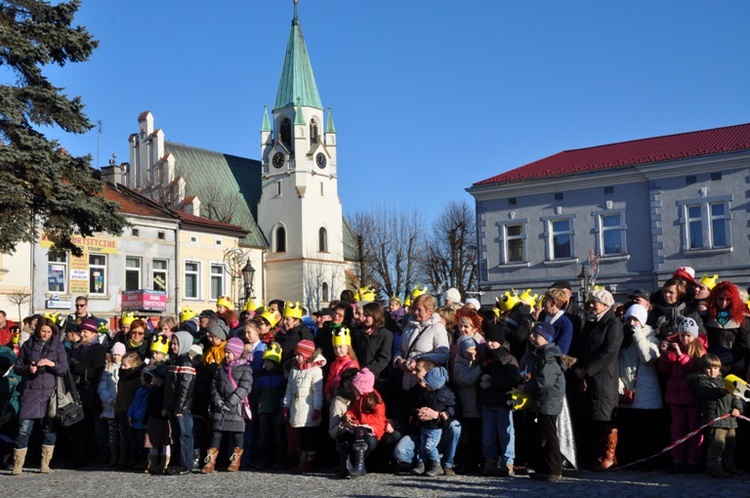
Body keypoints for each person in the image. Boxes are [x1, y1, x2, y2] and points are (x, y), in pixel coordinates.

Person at [570, 288, 623, 470]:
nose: (591, 305)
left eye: (595, 302)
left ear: (605, 305)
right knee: (592, 417)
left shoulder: (613, 324)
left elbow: (608, 352)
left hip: (604, 377)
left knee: (605, 418)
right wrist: (577, 366)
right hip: (587, 377)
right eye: (590, 302)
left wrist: (587, 371)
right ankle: (596, 455)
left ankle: (609, 456)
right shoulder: (591, 323)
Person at [11, 317, 69, 475]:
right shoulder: (28, 345)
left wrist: (52, 364)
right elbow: (17, 367)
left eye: (49, 332)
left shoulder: (58, 347)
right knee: (24, 429)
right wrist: (28, 369)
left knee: (49, 429)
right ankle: (18, 464)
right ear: (38, 330)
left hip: (51, 392)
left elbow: (64, 369)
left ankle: (45, 463)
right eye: (43, 331)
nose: (45, 334)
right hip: (31, 391)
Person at [616, 303, 664, 468]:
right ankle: (630, 459)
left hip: (646, 392)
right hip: (627, 390)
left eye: (635, 319)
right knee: (629, 430)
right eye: (629, 319)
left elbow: (647, 358)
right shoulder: (623, 338)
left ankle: (648, 461)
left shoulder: (652, 337)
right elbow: (618, 362)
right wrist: (618, 381)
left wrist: (638, 335)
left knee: (646, 430)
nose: (631, 323)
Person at [658, 316, 706, 473]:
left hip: (692, 397)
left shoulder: (699, 349)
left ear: (694, 336)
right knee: (676, 429)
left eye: (688, 335)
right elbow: (664, 370)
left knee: (693, 429)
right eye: (682, 335)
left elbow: (694, 369)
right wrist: (665, 355)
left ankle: (693, 460)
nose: (684, 338)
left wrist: (681, 356)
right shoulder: (674, 347)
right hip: (675, 396)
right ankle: (677, 458)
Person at [523, 321, 566, 482]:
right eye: (532, 334)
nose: (532, 337)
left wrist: (527, 388)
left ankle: (554, 470)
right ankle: (544, 468)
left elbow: (544, 382)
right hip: (545, 401)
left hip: (548, 402)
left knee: (549, 437)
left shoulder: (548, 356)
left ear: (546, 338)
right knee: (543, 435)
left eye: (537, 335)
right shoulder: (542, 354)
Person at [202, 338, 253, 473]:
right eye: (225, 352)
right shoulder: (220, 368)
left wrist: (230, 402)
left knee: (237, 433)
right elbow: (213, 385)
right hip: (220, 406)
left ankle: (235, 460)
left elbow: (245, 388)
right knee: (216, 433)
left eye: (229, 352)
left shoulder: (245, 369)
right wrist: (217, 400)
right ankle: (210, 460)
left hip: (236, 407)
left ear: (236, 353)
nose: (225, 355)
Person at [690, 353, 744, 478]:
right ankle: (714, 468)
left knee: (730, 445)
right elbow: (707, 393)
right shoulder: (701, 381)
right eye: (708, 368)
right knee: (717, 446)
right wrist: (721, 391)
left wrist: (737, 408)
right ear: (703, 369)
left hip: (730, 420)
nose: (712, 371)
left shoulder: (725, 381)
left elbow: (735, 396)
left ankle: (729, 466)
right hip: (715, 419)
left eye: (715, 368)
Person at [478, 323, 519, 476]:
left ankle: (508, 462)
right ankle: (490, 461)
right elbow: (478, 374)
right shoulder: (485, 358)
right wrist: (482, 378)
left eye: (493, 341)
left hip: (503, 401)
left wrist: (491, 382)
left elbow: (511, 379)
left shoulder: (508, 359)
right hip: (487, 402)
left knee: (505, 433)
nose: (489, 344)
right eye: (488, 340)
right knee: (488, 435)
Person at [399, 366, 457, 477]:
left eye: (428, 384)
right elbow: (418, 403)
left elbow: (453, 407)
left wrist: (446, 414)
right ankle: (421, 463)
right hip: (424, 425)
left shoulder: (447, 393)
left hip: (436, 426)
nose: (426, 385)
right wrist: (416, 412)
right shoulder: (425, 392)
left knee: (429, 446)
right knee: (423, 445)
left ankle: (436, 465)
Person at [282, 339, 326, 474]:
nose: (296, 357)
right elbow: (289, 389)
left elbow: (317, 391)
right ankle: (302, 460)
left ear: (307, 355)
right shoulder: (295, 370)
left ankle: (309, 461)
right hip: (296, 408)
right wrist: (286, 405)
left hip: (309, 409)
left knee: (309, 438)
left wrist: (317, 408)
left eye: (299, 355)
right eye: (296, 354)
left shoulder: (315, 371)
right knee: (299, 437)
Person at [337, 368, 388, 478]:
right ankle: (346, 466)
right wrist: (348, 415)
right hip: (361, 425)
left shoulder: (376, 400)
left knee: (359, 432)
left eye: (354, 387)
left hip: (374, 428)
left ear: (361, 388)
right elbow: (354, 410)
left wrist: (360, 421)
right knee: (342, 432)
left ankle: (359, 466)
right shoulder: (358, 398)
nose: (352, 389)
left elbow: (379, 418)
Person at [163, 331, 197, 475]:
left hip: (181, 408)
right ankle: (176, 463)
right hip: (173, 406)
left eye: (176, 344)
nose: (173, 346)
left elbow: (185, 388)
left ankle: (185, 464)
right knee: (176, 436)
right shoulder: (175, 361)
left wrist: (179, 407)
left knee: (184, 436)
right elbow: (169, 387)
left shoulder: (186, 363)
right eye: (173, 343)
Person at [704, 281, 750, 375]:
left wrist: (726, 361)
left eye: (728, 299)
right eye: (720, 299)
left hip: (735, 365)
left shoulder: (742, 318)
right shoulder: (707, 316)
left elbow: (744, 344)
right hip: (711, 365)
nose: (723, 303)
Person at [254, 342, 286, 470]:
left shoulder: (280, 376)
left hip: (276, 410)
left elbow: (284, 390)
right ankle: (263, 460)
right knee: (263, 436)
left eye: (269, 362)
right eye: (265, 362)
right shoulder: (260, 376)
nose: (266, 364)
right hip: (263, 409)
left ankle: (280, 460)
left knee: (279, 437)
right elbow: (256, 392)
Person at [351, 302, 393, 386]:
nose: (363, 318)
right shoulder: (361, 334)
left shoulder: (386, 335)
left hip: (377, 378)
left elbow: (384, 359)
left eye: (367, 316)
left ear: (375, 316)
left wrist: (367, 369)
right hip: (359, 376)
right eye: (363, 315)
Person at [98, 342, 125, 466]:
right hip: (110, 407)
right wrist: (109, 400)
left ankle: (122, 457)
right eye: (114, 354)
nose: (116, 357)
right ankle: (113, 458)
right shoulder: (107, 369)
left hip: (122, 406)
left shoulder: (124, 368)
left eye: (119, 355)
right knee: (112, 434)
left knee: (122, 433)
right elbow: (102, 388)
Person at [324, 327, 360, 404]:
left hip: (344, 400)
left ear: (348, 347)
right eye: (335, 348)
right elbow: (329, 380)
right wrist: (327, 393)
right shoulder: (334, 364)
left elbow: (350, 386)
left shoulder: (352, 364)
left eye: (340, 347)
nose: (338, 350)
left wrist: (337, 395)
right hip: (332, 398)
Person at [541, 289, 574, 354]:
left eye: (545, 300)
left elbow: (561, 350)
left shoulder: (565, 323)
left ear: (554, 302)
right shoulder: (543, 317)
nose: (543, 304)